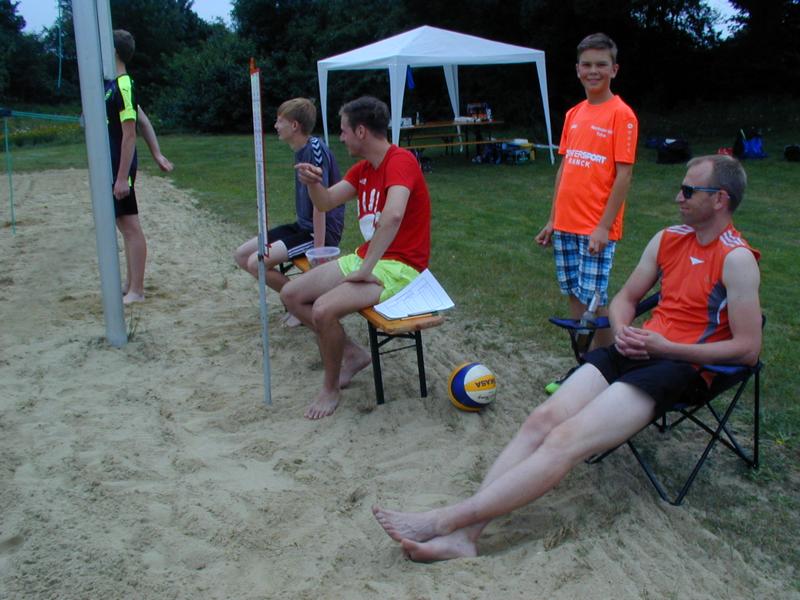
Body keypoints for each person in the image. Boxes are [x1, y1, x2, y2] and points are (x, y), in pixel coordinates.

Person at [374, 155, 761, 562]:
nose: (678, 196)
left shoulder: (736, 260)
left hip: (680, 367)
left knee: (565, 439)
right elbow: (625, 299)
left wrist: (666, 348)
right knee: (541, 421)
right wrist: (623, 329)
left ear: (720, 199)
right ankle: (466, 536)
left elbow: (748, 348)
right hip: (639, 348)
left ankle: (445, 522)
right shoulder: (668, 239)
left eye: (688, 190)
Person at [282, 96, 431, 420]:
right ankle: (351, 353)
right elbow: (325, 202)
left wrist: (365, 269)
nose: (341, 137)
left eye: (344, 130)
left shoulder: (400, 161)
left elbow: (392, 216)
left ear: (361, 131)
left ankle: (330, 387)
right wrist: (313, 183)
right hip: (370, 259)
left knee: (323, 309)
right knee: (291, 295)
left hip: (401, 266)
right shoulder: (363, 169)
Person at [535, 33, 638, 351]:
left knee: (594, 301)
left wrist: (604, 227)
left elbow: (624, 175)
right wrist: (553, 219)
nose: (594, 71)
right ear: (578, 69)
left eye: (601, 65)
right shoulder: (574, 114)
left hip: (595, 227)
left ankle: (604, 363)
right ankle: (584, 362)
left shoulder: (622, 115)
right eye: (587, 64)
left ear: (614, 70)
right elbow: (565, 169)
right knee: (575, 295)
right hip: (566, 224)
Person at [234, 98, 344, 326]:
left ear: (294, 125)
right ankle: (298, 299)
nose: (275, 126)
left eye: (279, 121)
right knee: (242, 255)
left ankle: (302, 302)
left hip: (319, 232)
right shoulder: (301, 149)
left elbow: (321, 204)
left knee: (256, 263)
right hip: (302, 226)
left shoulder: (314, 151)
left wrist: (319, 252)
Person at [105, 29, 173, 305]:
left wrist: (122, 177)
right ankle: (129, 283)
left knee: (130, 225)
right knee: (123, 223)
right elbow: (144, 121)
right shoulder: (111, 84)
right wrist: (157, 154)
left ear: (114, 52)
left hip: (120, 166)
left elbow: (131, 132)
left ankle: (137, 290)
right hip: (113, 165)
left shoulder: (124, 85)